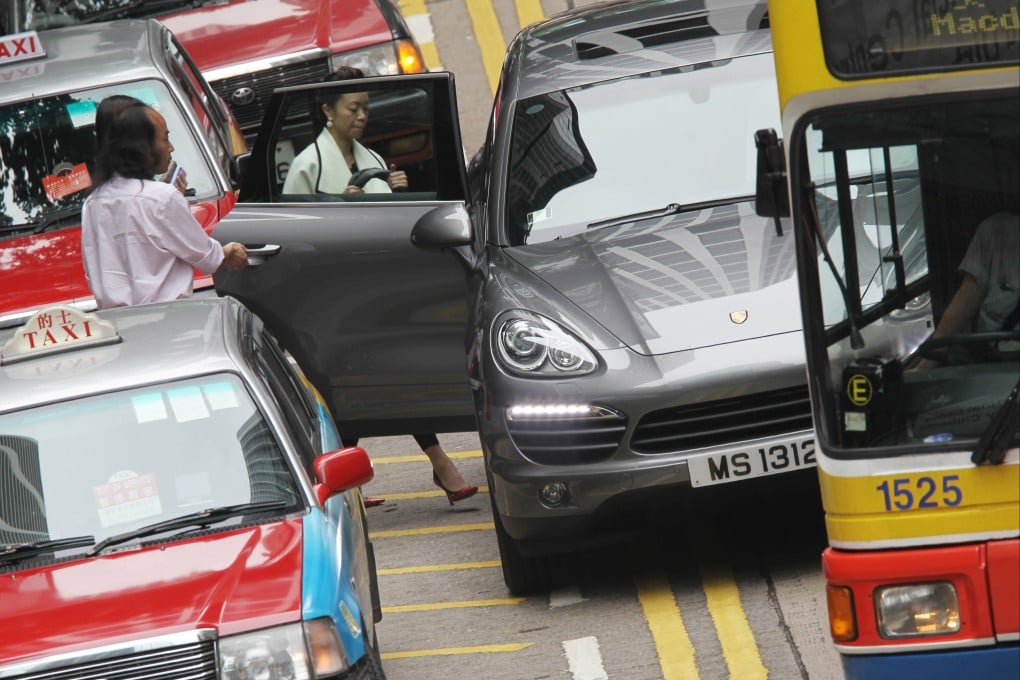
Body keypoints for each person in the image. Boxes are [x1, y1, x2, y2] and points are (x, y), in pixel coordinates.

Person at [81, 97, 248, 309]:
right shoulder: (162, 198)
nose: (170, 148)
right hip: (170, 321)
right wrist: (229, 251)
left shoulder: (92, 202)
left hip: (120, 326)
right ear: (142, 148)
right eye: (165, 138)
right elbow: (205, 256)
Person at [281, 65, 408, 195]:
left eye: (365, 108)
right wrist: (342, 205)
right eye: (353, 109)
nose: (362, 116)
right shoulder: (306, 166)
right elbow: (295, 215)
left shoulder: (376, 159)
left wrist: (395, 191)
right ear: (328, 111)